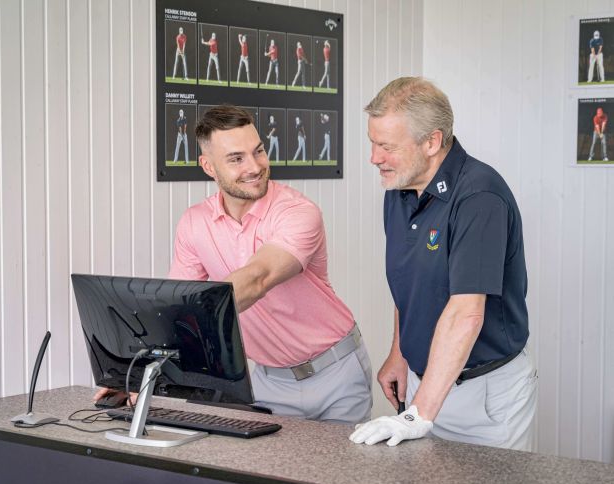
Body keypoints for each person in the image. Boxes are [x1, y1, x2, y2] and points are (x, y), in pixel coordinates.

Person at [349, 77, 537, 450]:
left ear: (432, 141)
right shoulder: (399, 189)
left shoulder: (479, 197)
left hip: (483, 395)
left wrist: (418, 414)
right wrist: (400, 354)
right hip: (425, 385)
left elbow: (466, 313)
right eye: (372, 143)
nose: (374, 158)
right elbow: (411, 284)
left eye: (386, 146)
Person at [168, 105, 373, 423]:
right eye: (236, 158)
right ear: (208, 166)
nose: (255, 166)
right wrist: (141, 376)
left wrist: (196, 315)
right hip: (269, 380)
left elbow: (258, 278)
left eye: (258, 151)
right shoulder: (194, 223)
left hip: (336, 371)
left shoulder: (298, 212)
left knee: (340, 473)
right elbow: (178, 305)